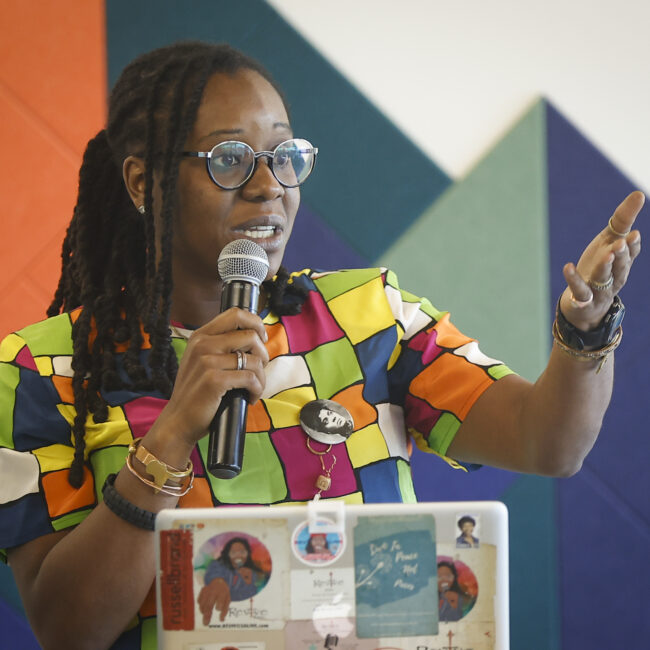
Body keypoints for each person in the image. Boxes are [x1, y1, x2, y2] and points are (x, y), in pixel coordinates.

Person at [0, 40, 642, 650]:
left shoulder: (369, 316)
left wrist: (585, 331)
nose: (268, 185)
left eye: (284, 157)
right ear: (143, 184)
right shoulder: (40, 369)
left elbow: (547, 442)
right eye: (229, 160)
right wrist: (168, 440)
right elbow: (67, 630)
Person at [198, 536, 269, 624]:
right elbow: (214, 572)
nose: (238, 555)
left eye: (242, 552)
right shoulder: (218, 565)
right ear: (227, 554)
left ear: (248, 554)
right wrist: (217, 581)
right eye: (233, 552)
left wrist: (248, 584)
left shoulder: (252, 573)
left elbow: (250, 600)